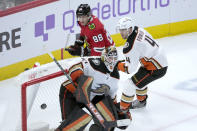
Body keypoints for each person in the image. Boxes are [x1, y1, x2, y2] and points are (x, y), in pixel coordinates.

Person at [56, 46, 131, 131]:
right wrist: (78, 76)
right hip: (71, 92)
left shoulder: (115, 76)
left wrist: (118, 112)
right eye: (110, 58)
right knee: (71, 125)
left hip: (91, 99)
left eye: (115, 58)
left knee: (108, 125)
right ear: (104, 57)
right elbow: (75, 65)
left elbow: (111, 97)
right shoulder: (95, 63)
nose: (112, 61)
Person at [116, 17, 168, 109]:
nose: (121, 32)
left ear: (129, 29)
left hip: (156, 67)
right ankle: (142, 102)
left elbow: (130, 69)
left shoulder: (130, 46)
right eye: (120, 30)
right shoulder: (138, 29)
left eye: (123, 30)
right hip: (157, 58)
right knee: (140, 80)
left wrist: (117, 65)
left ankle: (122, 109)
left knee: (129, 84)